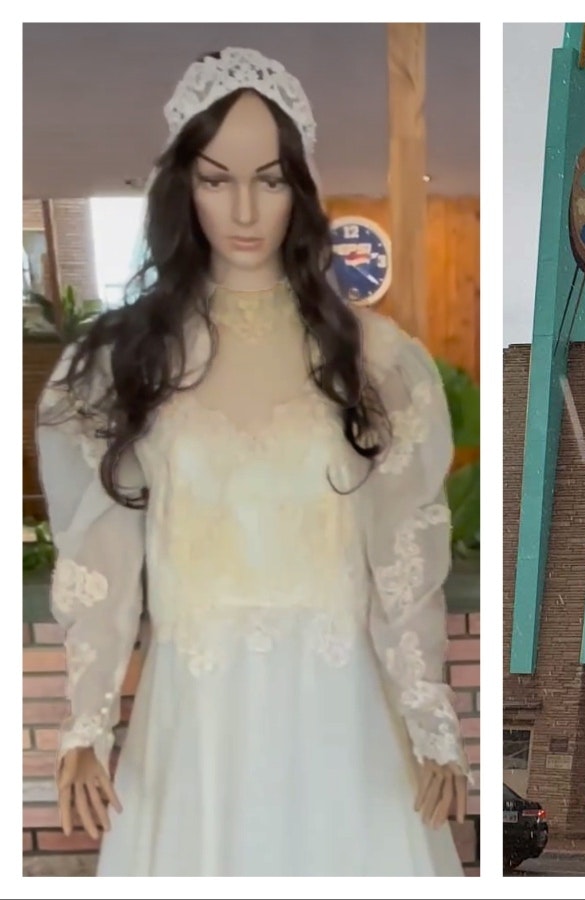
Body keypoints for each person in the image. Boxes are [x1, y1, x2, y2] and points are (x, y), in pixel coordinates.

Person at [39, 47, 467, 876]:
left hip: (344, 726)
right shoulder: (128, 363)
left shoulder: (375, 362)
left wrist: (432, 726)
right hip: (195, 727)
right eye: (215, 178)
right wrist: (84, 725)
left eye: (270, 180)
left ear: (299, 192)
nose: (243, 207)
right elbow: (101, 561)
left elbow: (403, 562)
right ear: (183, 187)